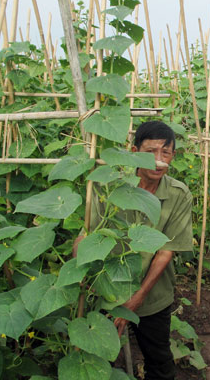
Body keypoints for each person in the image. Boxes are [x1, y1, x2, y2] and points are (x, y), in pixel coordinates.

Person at [75, 121, 193, 380]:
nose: (159, 161)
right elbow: (86, 235)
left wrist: (136, 298)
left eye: (166, 152)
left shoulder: (177, 194)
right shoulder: (110, 188)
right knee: (98, 358)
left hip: (151, 295)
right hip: (104, 289)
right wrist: (81, 274)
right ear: (133, 150)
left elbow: (166, 251)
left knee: (159, 361)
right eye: (150, 152)